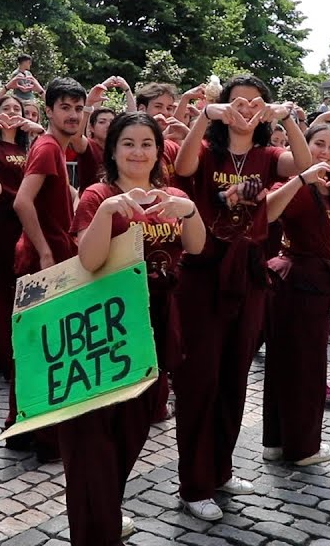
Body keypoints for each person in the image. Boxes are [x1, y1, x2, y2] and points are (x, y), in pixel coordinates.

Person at [171, 74, 311, 521]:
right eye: (237, 101)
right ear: (224, 106)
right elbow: (184, 169)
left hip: (249, 275)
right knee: (200, 380)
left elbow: (304, 166)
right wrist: (203, 114)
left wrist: (287, 118)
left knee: (234, 377)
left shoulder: (268, 155)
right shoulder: (209, 151)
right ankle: (194, 485)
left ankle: (221, 469)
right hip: (203, 274)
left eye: (256, 102)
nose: (247, 108)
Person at [65, 112, 206, 544]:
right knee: (96, 433)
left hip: (159, 320)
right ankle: (96, 526)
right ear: (113, 149)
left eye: (147, 143)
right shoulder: (97, 194)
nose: (138, 152)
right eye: (128, 143)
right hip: (107, 325)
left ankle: (107, 506)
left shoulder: (173, 196)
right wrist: (108, 211)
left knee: (136, 422)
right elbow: (87, 261)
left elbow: (196, 247)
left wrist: (192, 210)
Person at [263, 124, 330, 467]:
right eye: (318, 145)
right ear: (304, 148)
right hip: (297, 281)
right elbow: (267, 212)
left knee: (294, 364)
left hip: (313, 284)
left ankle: (280, 442)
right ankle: (301, 447)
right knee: (302, 367)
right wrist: (301, 177)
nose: (325, 152)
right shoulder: (298, 187)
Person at [8, 77, 90, 461]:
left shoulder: (57, 147)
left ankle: (22, 429)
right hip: (46, 259)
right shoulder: (46, 147)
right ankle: (44, 437)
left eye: (78, 108)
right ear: (50, 110)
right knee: (46, 349)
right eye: (66, 108)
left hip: (53, 252)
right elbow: (22, 202)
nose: (73, 115)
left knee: (33, 347)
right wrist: (43, 251)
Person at [0, 95, 42, 378]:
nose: (12, 113)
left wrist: (39, 131)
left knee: (25, 290)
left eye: (18, 109)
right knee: (4, 292)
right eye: (6, 108)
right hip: (2, 224)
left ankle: (0, 356)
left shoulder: (34, 147)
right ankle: (7, 359)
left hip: (30, 224)